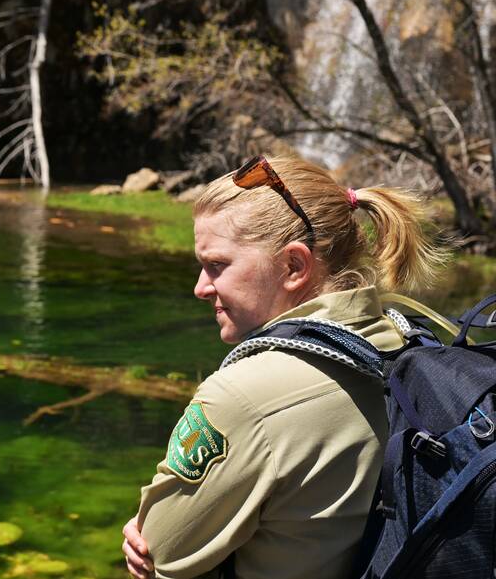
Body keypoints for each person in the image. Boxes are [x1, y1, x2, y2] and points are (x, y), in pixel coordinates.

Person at [121, 154, 447, 579]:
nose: (201, 288)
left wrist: (150, 528)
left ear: (294, 266)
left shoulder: (244, 395)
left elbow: (158, 552)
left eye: (216, 265)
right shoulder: (409, 338)